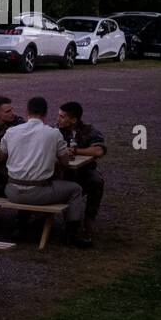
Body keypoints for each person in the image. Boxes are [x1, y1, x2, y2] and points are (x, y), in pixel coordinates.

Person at [2, 96, 92, 248]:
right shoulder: (53, 133)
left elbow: (3, 155)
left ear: (27, 111)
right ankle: (72, 234)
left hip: (11, 190)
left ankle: (21, 225)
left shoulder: (11, 131)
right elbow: (65, 162)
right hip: (38, 192)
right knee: (75, 189)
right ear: (45, 113)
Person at [57, 101, 106, 241]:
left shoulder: (88, 130)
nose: (58, 119)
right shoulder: (54, 130)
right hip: (62, 172)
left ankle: (89, 221)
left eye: (62, 116)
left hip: (84, 171)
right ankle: (68, 223)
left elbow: (99, 150)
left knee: (97, 181)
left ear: (73, 119)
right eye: (58, 115)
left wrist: (77, 151)